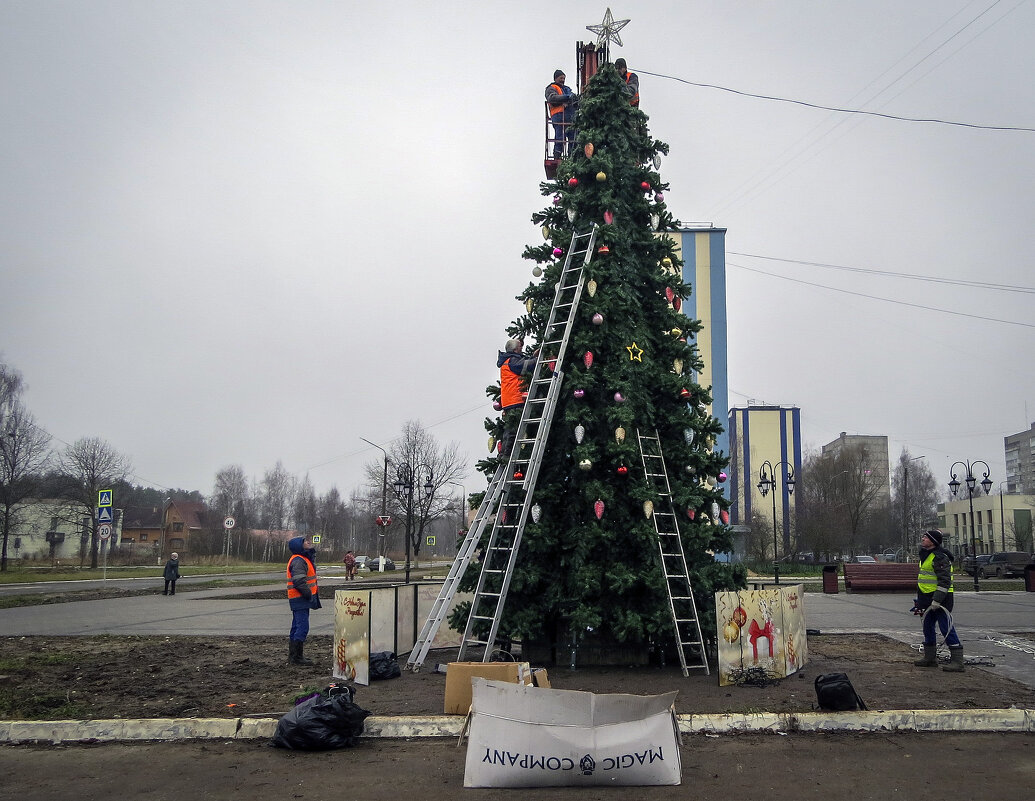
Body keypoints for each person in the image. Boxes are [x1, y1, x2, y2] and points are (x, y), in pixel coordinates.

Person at [912, 529, 964, 672]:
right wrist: (921, 600)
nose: (923, 539)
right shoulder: (926, 555)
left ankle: (958, 661)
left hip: (941, 599)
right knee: (927, 627)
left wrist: (937, 600)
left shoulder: (939, 557)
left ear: (934, 541)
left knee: (945, 627)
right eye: (923, 536)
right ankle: (930, 658)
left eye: (926, 537)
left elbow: (945, 581)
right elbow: (925, 579)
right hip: (927, 597)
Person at [498, 337, 539, 458]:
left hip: (508, 401)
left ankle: (503, 454)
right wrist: (538, 358)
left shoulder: (508, 361)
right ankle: (507, 455)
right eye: (520, 347)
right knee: (512, 431)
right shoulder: (512, 361)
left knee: (508, 430)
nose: (522, 349)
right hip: (515, 399)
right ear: (515, 349)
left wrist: (532, 357)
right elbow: (525, 366)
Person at [286, 535, 321, 666]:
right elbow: (299, 581)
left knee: (296, 626)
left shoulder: (301, 559)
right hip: (300, 598)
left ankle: (293, 656)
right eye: (306, 542)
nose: (309, 542)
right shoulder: (299, 560)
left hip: (298, 598)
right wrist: (308, 594)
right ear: (299, 546)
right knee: (302, 626)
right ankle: (296, 657)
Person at [545, 69, 577, 158]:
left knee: (573, 137)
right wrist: (566, 98)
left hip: (570, 117)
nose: (563, 80)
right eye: (561, 78)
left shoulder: (566, 89)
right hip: (559, 115)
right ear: (556, 78)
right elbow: (552, 98)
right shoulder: (551, 88)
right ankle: (557, 155)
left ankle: (572, 156)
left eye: (564, 78)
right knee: (560, 137)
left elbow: (573, 99)